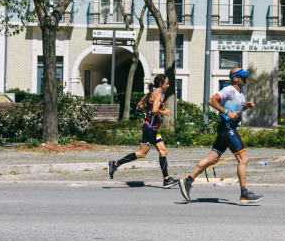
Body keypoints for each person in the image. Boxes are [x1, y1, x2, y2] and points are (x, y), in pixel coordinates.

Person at [179, 67, 262, 203]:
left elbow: (235, 110)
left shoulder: (240, 93)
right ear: (235, 78)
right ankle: (244, 193)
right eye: (242, 76)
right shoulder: (229, 90)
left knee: (213, 159)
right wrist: (227, 113)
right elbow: (211, 101)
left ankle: (187, 180)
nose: (245, 78)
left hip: (228, 128)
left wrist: (246, 106)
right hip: (227, 127)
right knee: (243, 159)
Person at [107, 74, 178, 188]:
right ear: (161, 83)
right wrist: (164, 112)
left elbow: (140, 105)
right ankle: (115, 164)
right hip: (149, 129)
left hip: (154, 129)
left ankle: (167, 180)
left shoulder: (151, 92)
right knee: (141, 154)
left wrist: (148, 110)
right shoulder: (158, 94)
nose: (168, 85)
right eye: (167, 83)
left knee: (163, 151)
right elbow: (155, 110)